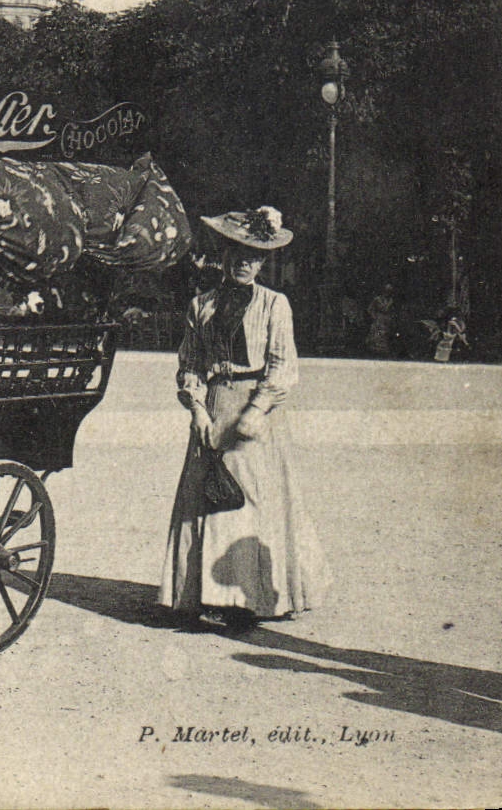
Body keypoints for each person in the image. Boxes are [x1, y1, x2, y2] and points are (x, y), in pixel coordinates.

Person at [161, 207, 331, 630]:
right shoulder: (201, 305)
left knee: (252, 500)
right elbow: (190, 364)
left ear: (263, 261)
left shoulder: (276, 305)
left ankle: (247, 598)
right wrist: (197, 407)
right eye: (237, 253)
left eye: (254, 257)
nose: (245, 263)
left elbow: (282, 366)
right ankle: (204, 595)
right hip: (215, 405)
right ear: (224, 254)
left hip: (255, 408)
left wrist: (256, 411)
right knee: (207, 496)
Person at [366, 283, 397, 358]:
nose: (388, 292)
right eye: (387, 290)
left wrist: (392, 318)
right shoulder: (377, 299)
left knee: (385, 335)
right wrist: (374, 317)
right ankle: (375, 352)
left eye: (390, 291)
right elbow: (370, 309)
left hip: (387, 319)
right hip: (378, 319)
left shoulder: (391, 301)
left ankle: (384, 352)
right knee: (377, 335)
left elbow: (393, 311)